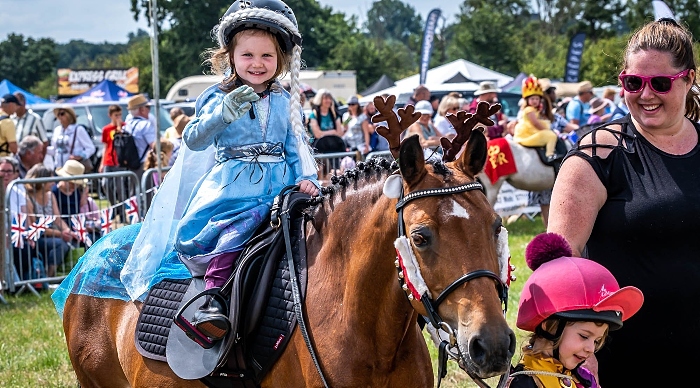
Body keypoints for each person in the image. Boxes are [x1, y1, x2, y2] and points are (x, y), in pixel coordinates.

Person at [547, 18, 700, 386]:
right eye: (633, 83)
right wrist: (576, 347)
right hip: (623, 359)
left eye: (660, 83)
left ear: (689, 79)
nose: (645, 95)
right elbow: (559, 261)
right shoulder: (598, 155)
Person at [171, 0, 319, 341]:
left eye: (267, 56)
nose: (257, 64)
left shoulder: (285, 99)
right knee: (237, 231)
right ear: (230, 57)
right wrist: (222, 112)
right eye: (247, 55)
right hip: (233, 190)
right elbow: (193, 139)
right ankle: (210, 300)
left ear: (280, 60)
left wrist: (307, 178)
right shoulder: (217, 95)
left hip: (281, 188)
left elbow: (294, 146)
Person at [508, 233, 643, 388]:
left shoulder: (583, 378)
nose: (591, 349)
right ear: (549, 325)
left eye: (597, 341)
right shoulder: (524, 383)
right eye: (584, 336)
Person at [24, 164, 74, 278]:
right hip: (38, 238)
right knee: (61, 245)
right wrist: (61, 234)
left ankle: (66, 276)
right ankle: (48, 277)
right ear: (41, 181)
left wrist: (68, 231)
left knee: (74, 240)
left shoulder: (50, 195)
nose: (53, 183)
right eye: (49, 180)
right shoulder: (28, 198)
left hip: (54, 234)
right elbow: (34, 228)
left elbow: (58, 219)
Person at [513, 76, 560, 161]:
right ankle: (550, 154)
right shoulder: (529, 110)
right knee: (551, 136)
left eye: (537, 99)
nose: (534, 101)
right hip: (527, 135)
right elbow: (535, 123)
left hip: (531, 132)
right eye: (532, 99)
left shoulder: (535, 110)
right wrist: (546, 130)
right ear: (527, 100)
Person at [49, 105, 95, 172]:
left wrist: (80, 156)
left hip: (72, 168)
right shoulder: (57, 130)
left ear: (69, 115)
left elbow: (90, 148)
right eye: (58, 114)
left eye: (62, 114)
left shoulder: (78, 129)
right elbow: (54, 149)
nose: (60, 117)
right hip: (59, 168)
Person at [123, 94, 156, 179]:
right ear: (142, 109)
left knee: (134, 191)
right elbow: (154, 146)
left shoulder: (126, 125)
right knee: (147, 191)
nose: (149, 110)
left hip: (130, 166)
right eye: (147, 107)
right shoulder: (146, 125)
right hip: (144, 165)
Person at [308, 89, 345, 153]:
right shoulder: (314, 115)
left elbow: (340, 133)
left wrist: (324, 133)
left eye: (330, 98)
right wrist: (333, 132)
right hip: (319, 150)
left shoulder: (335, 115)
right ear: (320, 100)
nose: (328, 101)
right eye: (325, 98)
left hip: (335, 149)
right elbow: (317, 134)